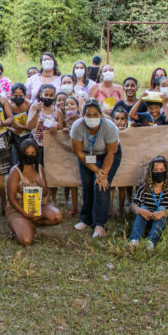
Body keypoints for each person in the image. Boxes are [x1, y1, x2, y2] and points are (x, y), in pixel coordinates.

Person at [71, 100, 121, 239]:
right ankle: (86, 219)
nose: (91, 118)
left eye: (95, 115)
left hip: (107, 156)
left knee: (101, 186)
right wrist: (96, 170)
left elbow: (111, 153)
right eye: (88, 115)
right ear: (83, 115)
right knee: (87, 185)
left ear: (101, 115)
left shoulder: (110, 127)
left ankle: (99, 224)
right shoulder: (77, 126)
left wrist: (102, 174)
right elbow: (79, 152)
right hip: (87, 156)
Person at [6, 138, 63, 245]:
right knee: (27, 241)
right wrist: (24, 213)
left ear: (37, 154)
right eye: (27, 153)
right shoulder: (15, 172)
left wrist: (42, 185)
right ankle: (21, 226)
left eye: (33, 153)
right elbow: (11, 198)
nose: (30, 155)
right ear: (21, 154)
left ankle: (28, 224)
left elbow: (45, 193)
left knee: (57, 217)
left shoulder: (39, 168)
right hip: (17, 209)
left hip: (35, 206)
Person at [128, 156, 168, 250]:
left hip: (165, 221)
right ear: (151, 172)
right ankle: (134, 240)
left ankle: (151, 241)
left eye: (161, 170)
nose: (159, 172)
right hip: (148, 219)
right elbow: (133, 205)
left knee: (161, 208)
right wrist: (139, 210)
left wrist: (162, 213)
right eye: (156, 170)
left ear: (166, 171)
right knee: (142, 208)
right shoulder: (144, 187)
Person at [26, 84, 62, 150]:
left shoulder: (57, 111)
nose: (48, 97)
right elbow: (29, 126)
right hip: (35, 145)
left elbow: (61, 130)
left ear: (54, 96)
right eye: (46, 95)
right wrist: (37, 112)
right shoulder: (34, 107)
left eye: (51, 95)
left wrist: (57, 125)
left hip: (51, 146)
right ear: (41, 95)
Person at [8, 83, 31, 166]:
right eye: (15, 96)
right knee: (15, 164)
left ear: (25, 95)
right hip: (14, 140)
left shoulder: (30, 106)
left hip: (28, 139)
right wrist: (12, 129)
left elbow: (34, 126)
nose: (18, 98)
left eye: (20, 96)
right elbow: (4, 123)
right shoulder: (8, 105)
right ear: (11, 95)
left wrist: (20, 127)